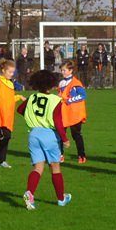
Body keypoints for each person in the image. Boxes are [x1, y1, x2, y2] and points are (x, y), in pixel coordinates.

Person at [16, 69, 71, 210]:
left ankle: (30, 193)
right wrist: (64, 139)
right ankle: (61, 199)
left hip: (33, 134)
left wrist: (33, 118)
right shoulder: (55, 100)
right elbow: (58, 121)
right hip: (49, 135)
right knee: (55, 167)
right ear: (50, 85)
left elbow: (20, 110)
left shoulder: (32, 98)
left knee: (38, 167)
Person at [0, 59, 24, 169]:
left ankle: (2, 160)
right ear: (3, 70)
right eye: (10, 72)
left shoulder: (10, 83)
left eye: (13, 72)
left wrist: (19, 97)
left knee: (7, 138)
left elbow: (9, 98)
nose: (12, 74)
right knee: (5, 136)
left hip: (8, 115)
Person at [58, 59, 88, 163]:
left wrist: (69, 100)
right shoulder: (61, 83)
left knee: (76, 135)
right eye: (61, 70)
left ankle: (81, 155)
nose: (62, 72)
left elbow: (83, 95)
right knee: (60, 134)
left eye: (64, 70)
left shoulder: (76, 82)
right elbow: (61, 95)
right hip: (64, 112)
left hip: (75, 114)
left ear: (70, 71)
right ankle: (60, 154)